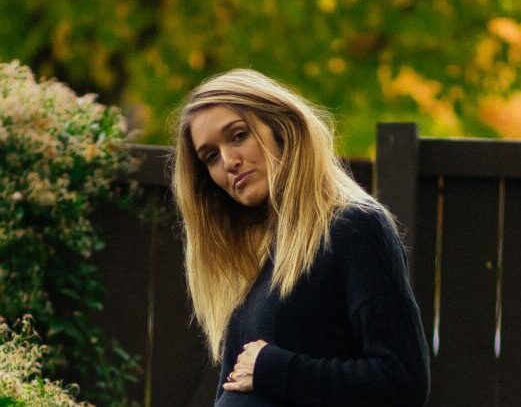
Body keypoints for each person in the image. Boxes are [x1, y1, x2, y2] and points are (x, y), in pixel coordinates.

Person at [171, 69, 430, 406]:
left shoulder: (354, 227)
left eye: (237, 136)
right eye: (211, 156)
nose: (229, 162)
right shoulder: (257, 262)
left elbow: (402, 380)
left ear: (281, 129)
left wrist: (275, 369)